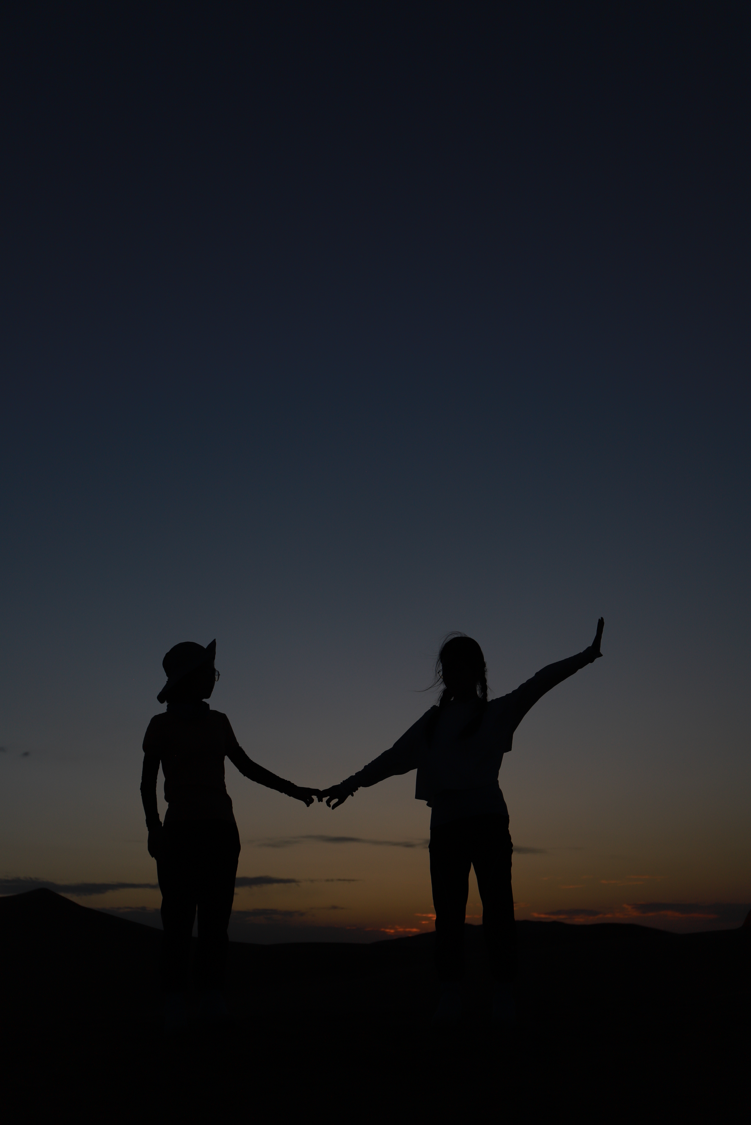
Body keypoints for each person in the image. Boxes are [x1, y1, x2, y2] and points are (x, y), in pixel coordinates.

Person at [320, 619, 605, 1029]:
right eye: (447, 667)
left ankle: (502, 994)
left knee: (498, 911)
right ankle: (451, 994)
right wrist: (350, 784)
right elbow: (392, 757)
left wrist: (586, 656)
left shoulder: (498, 712)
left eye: (460, 665)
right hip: (447, 827)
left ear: (477, 671)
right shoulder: (431, 724)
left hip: (488, 823)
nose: (452, 673)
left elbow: (540, 682)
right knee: (448, 914)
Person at [141, 639, 318, 1030]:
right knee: (177, 919)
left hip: (220, 831)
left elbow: (247, 767)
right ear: (191, 677)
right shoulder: (161, 726)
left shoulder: (218, 721)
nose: (213, 679)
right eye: (209, 672)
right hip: (179, 832)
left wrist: (294, 790)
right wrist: (154, 828)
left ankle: (211, 996)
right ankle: (175, 999)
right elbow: (147, 783)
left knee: (215, 919)